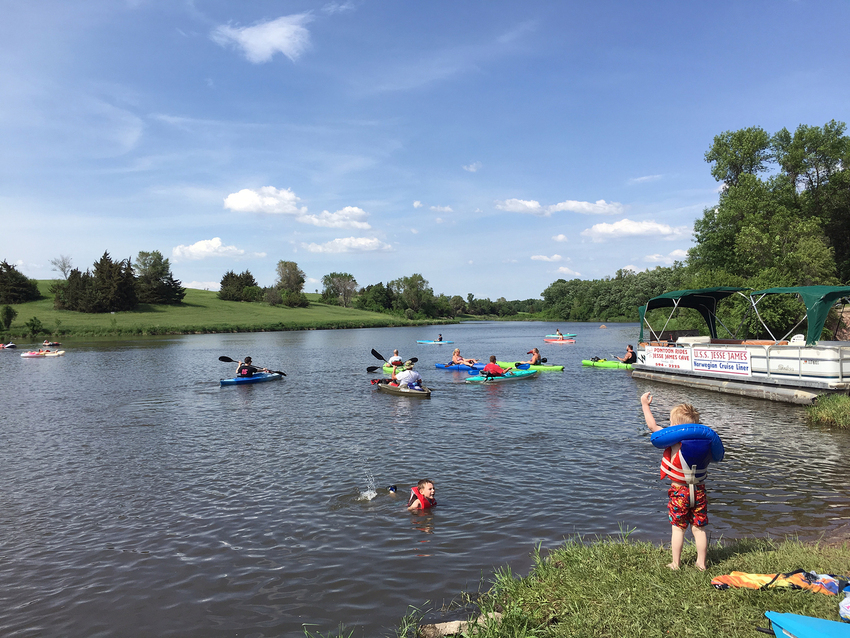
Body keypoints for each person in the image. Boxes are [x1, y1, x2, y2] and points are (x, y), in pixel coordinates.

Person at [640, 392, 710, 571]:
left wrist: (645, 405)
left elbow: (652, 425)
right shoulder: (704, 442)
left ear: (674, 426)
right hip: (699, 491)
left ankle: (676, 564)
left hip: (680, 492)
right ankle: (701, 563)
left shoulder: (674, 441)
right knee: (698, 528)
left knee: (678, 529)